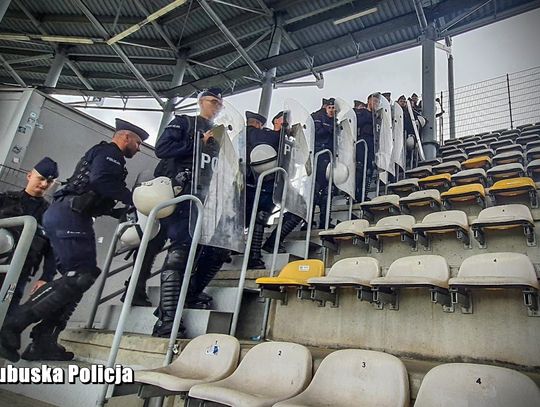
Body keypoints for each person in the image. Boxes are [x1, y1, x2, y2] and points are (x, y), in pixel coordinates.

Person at [0, 119, 148, 363]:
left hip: (70, 214)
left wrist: (114, 211)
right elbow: (101, 181)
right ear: (125, 137)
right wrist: (135, 199)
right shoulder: (110, 153)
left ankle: (44, 340)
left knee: (79, 279)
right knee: (81, 275)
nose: (139, 148)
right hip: (70, 215)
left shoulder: (105, 154)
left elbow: (92, 190)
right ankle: (13, 326)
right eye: (138, 142)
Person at [152, 88, 233, 337]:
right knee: (181, 252)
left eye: (220, 103)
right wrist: (198, 142)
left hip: (211, 200)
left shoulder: (221, 133)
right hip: (185, 196)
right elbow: (162, 149)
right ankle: (166, 322)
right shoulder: (184, 122)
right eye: (212, 101)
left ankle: (185, 297)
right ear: (201, 102)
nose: (216, 106)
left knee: (219, 249)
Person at [0, 158, 58, 316]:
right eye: (41, 178)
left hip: (20, 273)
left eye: (49, 181)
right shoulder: (4, 200)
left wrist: (46, 277)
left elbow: (52, 249)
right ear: (29, 175)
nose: (44, 184)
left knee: (6, 315)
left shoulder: (51, 215)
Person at [245, 111, 280, 269]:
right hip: (260, 181)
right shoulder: (259, 134)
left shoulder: (238, 136)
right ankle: (253, 256)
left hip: (242, 182)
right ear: (258, 124)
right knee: (260, 217)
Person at [312, 97, 336, 228]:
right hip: (319, 155)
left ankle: (325, 221)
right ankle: (308, 222)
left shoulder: (335, 120)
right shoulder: (317, 117)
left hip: (329, 156)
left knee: (328, 190)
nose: (332, 110)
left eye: (333, 107)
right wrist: (329, 127)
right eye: (329, 107)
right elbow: (316, 132)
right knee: (315, 190)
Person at [355, 94, 376, 202]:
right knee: (360, 168)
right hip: (363, 142)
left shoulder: (376, 115)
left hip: (372, 142)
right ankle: (356, 194)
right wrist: (369, 117)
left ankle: (364, 194)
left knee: (369, 169)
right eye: (374, 101)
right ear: (369, 102)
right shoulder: (362, 112)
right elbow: (358, 122)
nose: (376, 104)